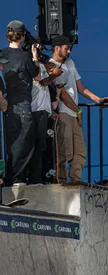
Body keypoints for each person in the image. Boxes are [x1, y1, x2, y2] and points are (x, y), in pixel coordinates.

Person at [50, 35, 108, 184]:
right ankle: (61, 180)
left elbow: (80, 87)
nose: (69, 51)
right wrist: (78, 110)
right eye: (66, 48)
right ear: (57, 48)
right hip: (63, 112)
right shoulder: (51, 66)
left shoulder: (70, 63)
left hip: (74, 113)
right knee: (64, 150)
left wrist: (97, 99)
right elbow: (62, 93)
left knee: (80, 150)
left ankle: (76, 180)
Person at [1, 20, 40, 186]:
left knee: (11, 141)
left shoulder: (2, 54)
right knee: (25, 142)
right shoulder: (25, 57)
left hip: (9, 102)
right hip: (23, 103)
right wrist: (35, 56)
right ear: (22, 36)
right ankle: (17, 178)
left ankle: (10, 177)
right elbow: (36, 74)